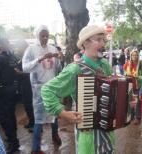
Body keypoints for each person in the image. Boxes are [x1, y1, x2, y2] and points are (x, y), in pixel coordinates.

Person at [41, 25, 114, 154]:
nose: (103, 44)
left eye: (104, 40)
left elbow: (111, 91)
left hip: (106, 128)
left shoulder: (105, 65)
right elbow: (47, 90)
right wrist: (62, 113)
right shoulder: (75, 69)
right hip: (88, 131)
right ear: (85, 43)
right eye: (98, 40)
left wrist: (125, 101)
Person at [22, 25, 62, 154]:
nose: (44, 38)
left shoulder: (53, 48)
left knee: (55, 114)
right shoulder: (31, 49)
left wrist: (60, 58)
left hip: (52, 88)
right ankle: (35, 148)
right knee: (39, 120)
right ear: (37, 35)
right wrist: (40, 58)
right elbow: (25, 68)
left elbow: (58, 68)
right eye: (42, 35)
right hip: (39, 89)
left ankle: (55, 135)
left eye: (46, 35)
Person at [0, 37, 20, 154]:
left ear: (0, 45)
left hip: (3, 92)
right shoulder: (12, 57)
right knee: (11, 116)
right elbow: (16, 70)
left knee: (5, 118)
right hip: (12, 90)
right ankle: (14, 139)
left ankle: (13, 142)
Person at [124, 49, 142, 124]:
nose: (134, 56)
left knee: (138, 102)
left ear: (138, 56)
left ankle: (138, 118)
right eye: (133, 55)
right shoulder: (127, 63)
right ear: (131, 56)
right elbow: (125, 73)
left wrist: (137, 76)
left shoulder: (141, 64)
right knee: (130, 101)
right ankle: (131, 116)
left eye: (136, 55)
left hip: (138, 85)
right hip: (130, 85)